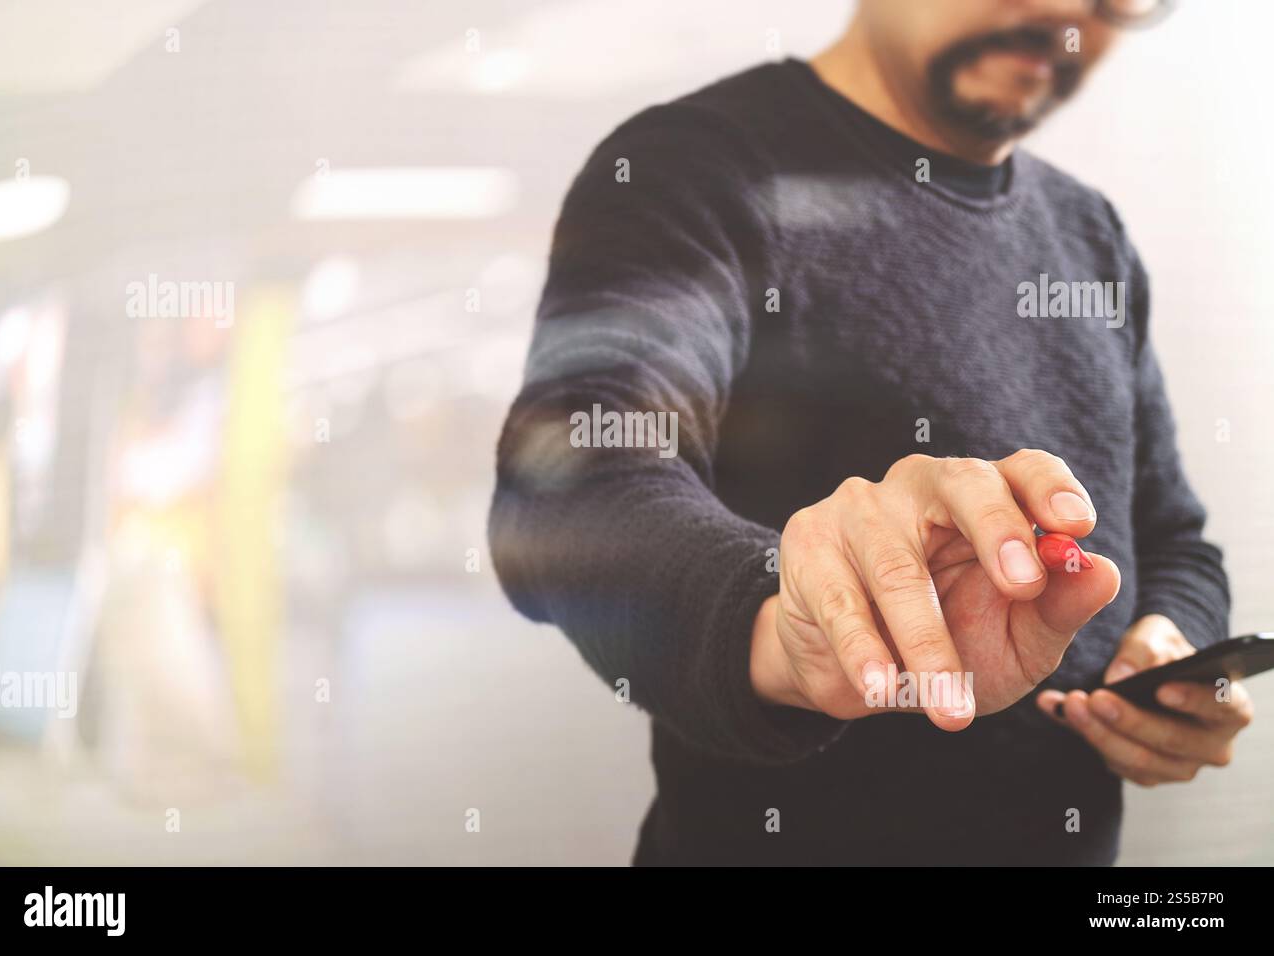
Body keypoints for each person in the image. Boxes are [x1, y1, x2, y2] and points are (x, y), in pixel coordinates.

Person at [489, 0, 1253, 865]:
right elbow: (566, 491)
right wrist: (792, 627)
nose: (1065, 12)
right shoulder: (690, 168)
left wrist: (1167, 652)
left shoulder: (1089, 235)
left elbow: (1174, 538)